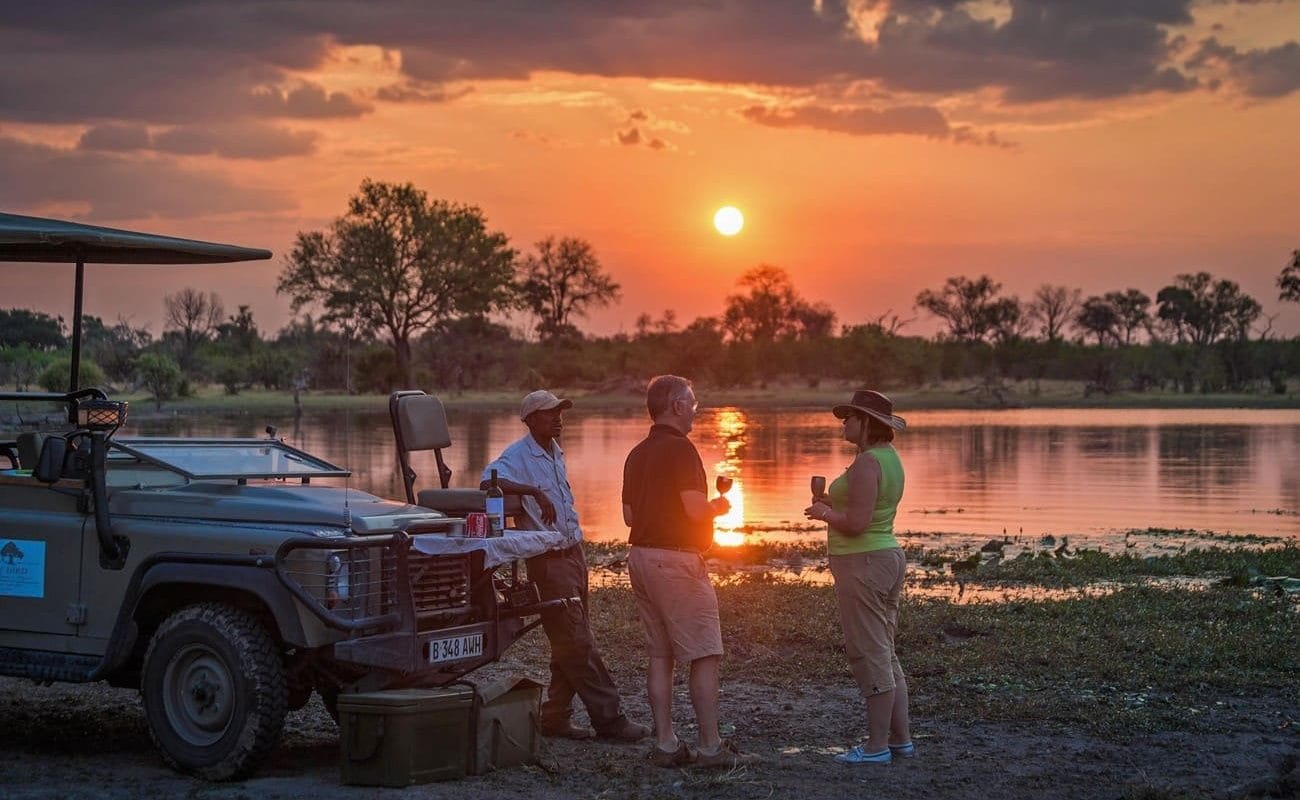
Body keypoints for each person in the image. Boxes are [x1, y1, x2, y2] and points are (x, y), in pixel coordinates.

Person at [481, 389, 648, 743]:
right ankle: (611, 720)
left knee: (569, 638)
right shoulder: (517, 455)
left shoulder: (555, 451)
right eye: (548, 413)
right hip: (548, 560)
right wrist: (533, 492)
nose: (558, 418)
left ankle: (555, 716)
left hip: (573, 552)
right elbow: (487, 480)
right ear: (529, 420)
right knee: (576, 641)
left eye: (559, 412)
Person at [621, 375, 761, 769]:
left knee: (661, 654)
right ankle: (711, 747)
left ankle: (666, 743)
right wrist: (718, 506)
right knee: (704, 654)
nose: (697, 410)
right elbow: (695, 510)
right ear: (677, 406)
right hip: (675, 562)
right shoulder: (682, 450)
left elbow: (629, 515)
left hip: (642, 559)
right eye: (693, 402)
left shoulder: (636, 452)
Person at [804, 388, 913, 764]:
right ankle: (900, 739)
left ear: (867, 422)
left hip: (864, 560)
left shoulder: (868, 463)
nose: (843, 423)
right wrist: (836, 504)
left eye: (849, 417)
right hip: (883, 556)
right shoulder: (887, 458)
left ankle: (876, 747)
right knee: (884, 650)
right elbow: (870, 508)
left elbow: (856, 524)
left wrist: (824, 515)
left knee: (869, 652)